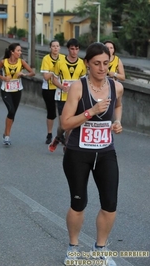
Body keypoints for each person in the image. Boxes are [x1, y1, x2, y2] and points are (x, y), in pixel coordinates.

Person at [60, 42, 123, 266]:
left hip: (106, 152)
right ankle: (73, 247)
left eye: (106, 63)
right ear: (87, 64)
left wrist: (117, 122)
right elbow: (65, 122)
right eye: (97, 63)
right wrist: (91, 112)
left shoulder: (116, 87)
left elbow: (117, 106)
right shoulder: (78, 87)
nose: (102, 68)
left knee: (110, 204)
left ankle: (100, 248)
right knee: (79, 203)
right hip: (78, 153)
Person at [0, 43, 35, 146]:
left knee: (13, 114)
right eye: (18, 50)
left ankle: (6, 132)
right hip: (6, 90)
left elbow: (32, 72)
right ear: (12, 52)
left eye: (20, 51)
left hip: (17, 90)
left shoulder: (22, 62)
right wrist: (3, 78)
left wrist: (23, 74)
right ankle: (7, 137)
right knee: (11, 110)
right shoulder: (3, 62)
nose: (20, 52)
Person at [49, 38, 87, 152]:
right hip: (61, 96)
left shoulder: (81, 63)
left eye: (76, 49)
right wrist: (62, 87)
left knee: (70, 123)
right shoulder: (59, 62)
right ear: (68, 49)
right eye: (72, 49)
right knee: (63, 125)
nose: (74, 51)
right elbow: (53, 79)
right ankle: (58, 137)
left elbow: (83, 81)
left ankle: (67, 145)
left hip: (74, 98)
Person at [40, 40, 65, 144]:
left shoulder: (63, 58)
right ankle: (49, 134)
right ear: (50, 48)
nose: (55, 48)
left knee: (62, 113)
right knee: (51, 113)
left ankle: (60, 134)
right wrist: (55, 70)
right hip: (48, 89)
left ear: (60, 48)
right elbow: (46, 77)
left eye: (57, 46)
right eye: (53, 46)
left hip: (59, 88)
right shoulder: (46, 59)